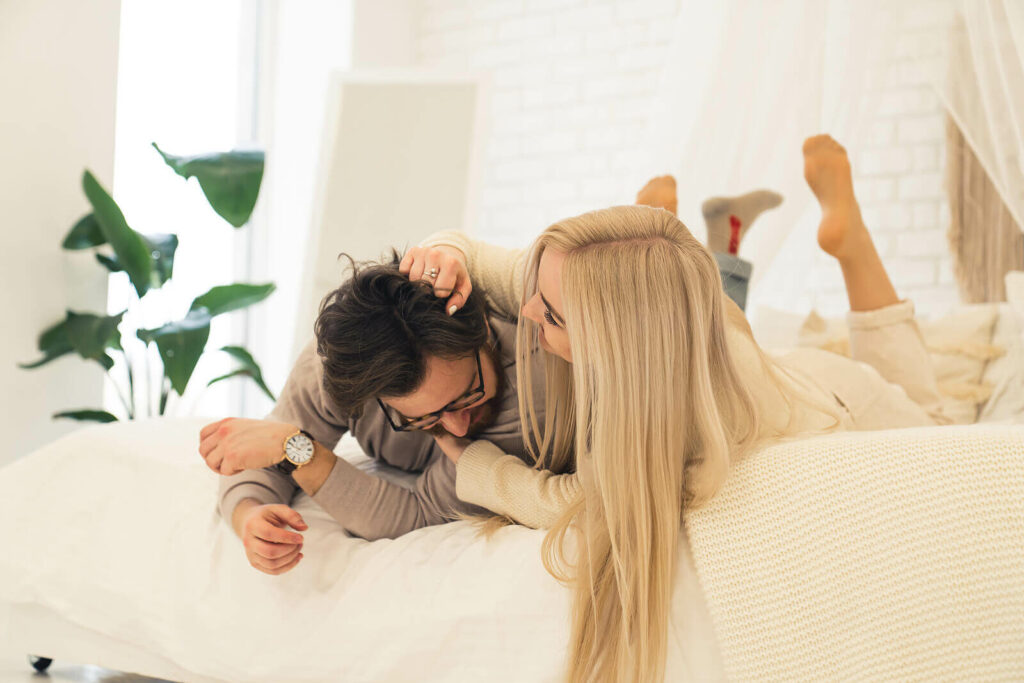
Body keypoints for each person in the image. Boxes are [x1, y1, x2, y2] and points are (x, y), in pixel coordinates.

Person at [400, 135, 956, 681]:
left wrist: (476, 465)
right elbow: (469, 254)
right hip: (755, 360)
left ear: (618, 347)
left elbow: (578, 502)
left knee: (938, 421)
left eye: (550, 316)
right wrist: (441, 254)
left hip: (836, 396)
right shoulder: (571, 288)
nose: (522, 311)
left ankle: (852, 240)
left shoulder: (674, 425)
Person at [199, 253, 545, 575]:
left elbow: (420, 514)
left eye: (468, 395)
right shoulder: (346, 372)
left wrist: (303, 454)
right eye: (422, 418)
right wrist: (249, 515)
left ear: (483, 328)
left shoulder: (532, 387)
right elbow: (263, 445)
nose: (456, 428)